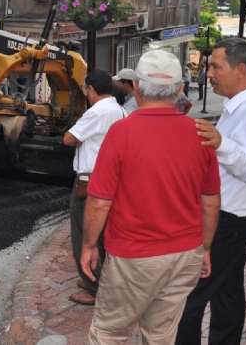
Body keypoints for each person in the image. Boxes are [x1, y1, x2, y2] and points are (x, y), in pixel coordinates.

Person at [80, 50, 221, 344]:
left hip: (134, 256)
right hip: (185, 255)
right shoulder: (202, 133)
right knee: (160, 335)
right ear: (180, 90)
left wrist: (89, 244)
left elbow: (99, 201)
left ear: (138, 87)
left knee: (109, 333)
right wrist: (205, 248)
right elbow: (210, 200)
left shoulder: (122, 132)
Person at [176, 38, 246, 345]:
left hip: (230, 222)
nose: (208, 73)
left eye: (215, 66)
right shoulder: (242, 107)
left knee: (190, 298)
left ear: (240, 69)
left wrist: (223, 144)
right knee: (227, 293)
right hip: (235, 219)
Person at [63, 69, 124, 305]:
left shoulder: (96, 111)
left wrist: (78, 132)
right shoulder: (118, 109)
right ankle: (101, 279)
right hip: (109, 177)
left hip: (89, 179)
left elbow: (68, 138)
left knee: (83, 231)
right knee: (103, 236)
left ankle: (92, 286)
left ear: (91, 89)